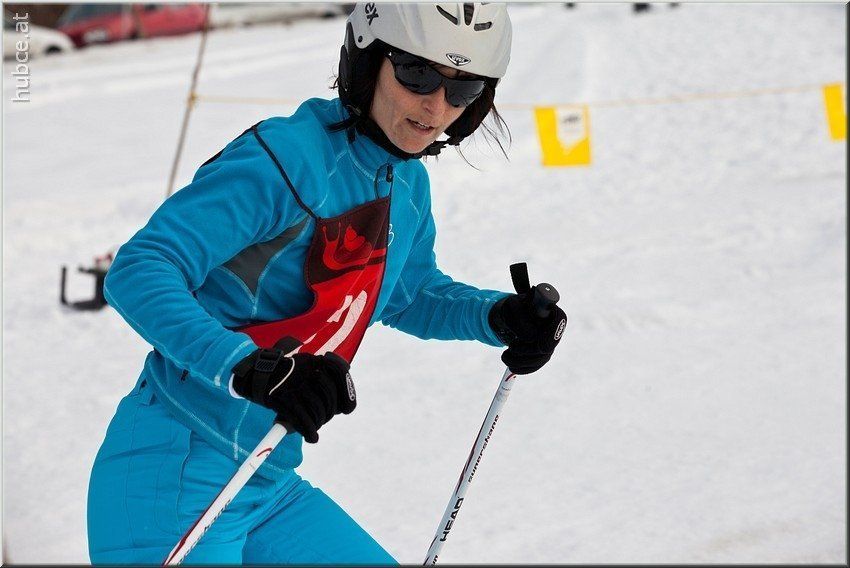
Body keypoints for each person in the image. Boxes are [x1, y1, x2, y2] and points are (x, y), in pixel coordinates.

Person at [87, 3, 567, 564]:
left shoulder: (406, 183)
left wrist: (497, 317)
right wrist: (248, 367)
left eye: (463, 90)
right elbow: (142, 267)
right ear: (367, 61)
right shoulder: (285, 160)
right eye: (417, 74)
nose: (436, 107)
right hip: (175, 470)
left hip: (265, 482)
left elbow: (407, 294)